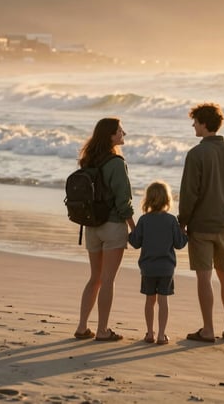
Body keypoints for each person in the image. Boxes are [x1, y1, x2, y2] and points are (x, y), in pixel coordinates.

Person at [178, 103, 224, 343]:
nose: (193, 125)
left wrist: (182, 222)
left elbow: (189, 194)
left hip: (201, 225)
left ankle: (208, 329)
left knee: (204, 277)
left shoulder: (196, 154)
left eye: (195, 121)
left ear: (204, 124)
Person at [74, 117, 135, 342]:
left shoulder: (89, 160)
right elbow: (123, 201)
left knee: (95, 278)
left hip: (92, 227)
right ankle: (102, 330)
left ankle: (82, 327)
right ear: (111, 135)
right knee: (108, 280)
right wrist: (134, 228)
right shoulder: (116, 163)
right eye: (120, 131)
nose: (124, 134)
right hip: (112, 227)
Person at [128, 181, 187, 345]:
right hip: (166, 268)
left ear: (147, 200)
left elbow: (135, 242)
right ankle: (161, 334)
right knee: (163, 301)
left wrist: (130, 232)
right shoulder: (171, 221)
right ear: (167, 201)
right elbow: (179, 244)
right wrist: (184, 231)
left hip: (148, 268)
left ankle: (149, 333)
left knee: (149, 300)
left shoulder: (144, 220)